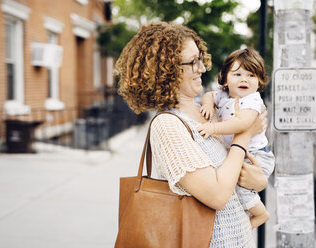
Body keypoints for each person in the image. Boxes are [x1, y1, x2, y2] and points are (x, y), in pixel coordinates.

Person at [116, 21, 272, 247]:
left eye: (200, 58)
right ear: (167, 71)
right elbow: (218, 195)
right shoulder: (168, 126)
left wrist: (259, 180)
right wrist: (244, 134)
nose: (202, 68)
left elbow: (235, 178)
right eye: (193, 62)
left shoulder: (208, 111)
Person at [197, 48, 275, 229]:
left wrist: (213, 127)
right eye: (237, 73)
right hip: (241, 151)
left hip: (256, 155)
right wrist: (208, 105)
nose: (244, 79)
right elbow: (208, 95)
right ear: (224, 78)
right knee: (232, 185)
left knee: (240, 189)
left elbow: (242, 124)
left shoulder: (252, 101)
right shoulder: (223, 96)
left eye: (251, 75)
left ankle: (260, 213)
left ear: (260, 81)